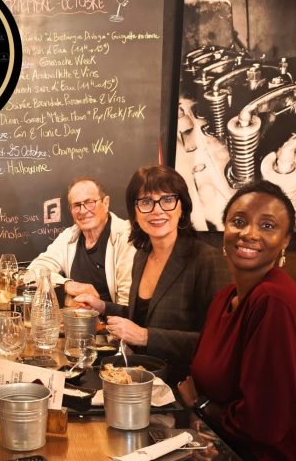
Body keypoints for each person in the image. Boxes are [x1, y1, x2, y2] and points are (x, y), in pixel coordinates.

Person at [180, 180, 296, 461]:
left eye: (268, 225)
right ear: (224, 228)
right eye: (239, 221)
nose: (249, 234)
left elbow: (265, 426)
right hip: (225, 450)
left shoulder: (273, 301)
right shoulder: (227, 296)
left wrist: (199, 404)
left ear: (286, 241)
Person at [75, 165, 230, 385]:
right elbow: (146, 316)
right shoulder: (142, 256)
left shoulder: (206, 260)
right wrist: (102, 306)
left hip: (183, 388)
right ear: (135, 213)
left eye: (167, 200)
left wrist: (146, 337)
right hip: (140, 380)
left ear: (182, 208)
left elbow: (219, 343)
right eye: (146, 202)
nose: (157, 210)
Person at [23, 177, 135, 305]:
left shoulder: (125, 237)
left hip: (111, 322)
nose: (82, 211)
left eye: (89, 202)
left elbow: (128, 305)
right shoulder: (69, 236)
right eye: (76, 205)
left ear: (106, 203)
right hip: (75, 320)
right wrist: (68, 285)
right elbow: (31, 273)